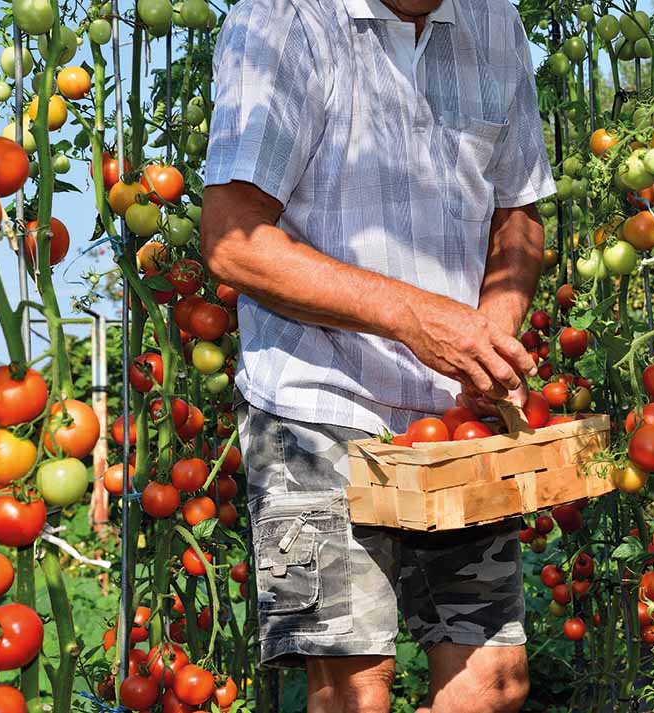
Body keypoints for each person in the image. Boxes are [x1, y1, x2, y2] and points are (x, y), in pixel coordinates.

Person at [199, 0, 555, 709]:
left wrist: (492, 327)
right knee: (354, 690)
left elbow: (519, 211)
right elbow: (233, 238)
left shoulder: (493, 23)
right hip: (314, 404)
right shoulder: (283, 19)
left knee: (495, 683)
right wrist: (416, 317)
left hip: (451, 423)